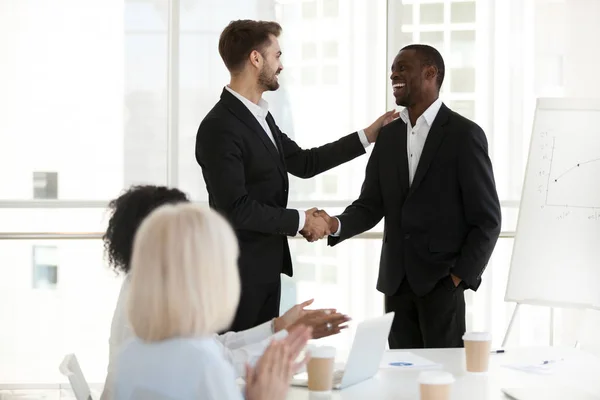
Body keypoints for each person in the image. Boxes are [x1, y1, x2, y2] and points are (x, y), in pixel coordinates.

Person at [195, 19, 398, 332]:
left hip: (263, 268)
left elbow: (305, 162)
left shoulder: (260, 116)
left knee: (262, 356)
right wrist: (302, 220)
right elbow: (236, 208)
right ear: (255, 58)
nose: (281, 65)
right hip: (236, 275)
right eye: (277, 55)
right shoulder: (220, 126)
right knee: (237, 364)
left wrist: (367, 136)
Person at [316, 44, 501, 349]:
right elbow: (370, 204)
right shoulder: (388, 136)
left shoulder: (463, 135)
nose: (393, 75)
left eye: (402, 68)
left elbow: (488, 220)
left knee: (445, 385)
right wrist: (335, 224)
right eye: (393, 69)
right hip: (396, 285)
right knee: (399, 380)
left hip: (443, 285)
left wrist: (458, 279)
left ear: (431, 73)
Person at [100, 185, 349, 399]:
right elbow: (216, 360)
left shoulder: (134, 352)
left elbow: (213, 348)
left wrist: (278, 327)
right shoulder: (202, 363)